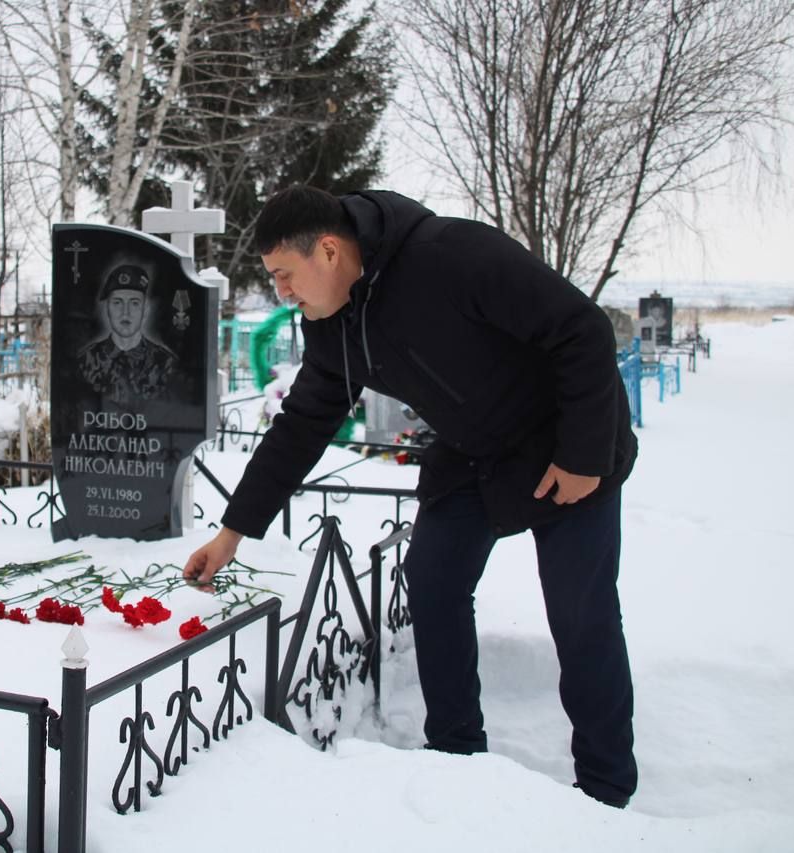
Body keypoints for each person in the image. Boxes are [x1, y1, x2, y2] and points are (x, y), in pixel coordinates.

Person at [182, 185, 638, 808]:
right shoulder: (332, 325)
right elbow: (301, 427)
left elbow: (582, 331)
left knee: (580, 613)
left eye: (285, 275)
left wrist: (583, 457)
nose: (282, 292)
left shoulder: (453, 254)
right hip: (473, 454)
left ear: (330, 250)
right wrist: (232, 532)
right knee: (432, 580)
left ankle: (606, 788)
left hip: (565, 443)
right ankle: (455, 752)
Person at [78, 263, 176, 403]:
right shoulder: (85, 361)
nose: (126, 312)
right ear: (107, 309)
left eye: (134, 303)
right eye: (117, 303)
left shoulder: (165, 364)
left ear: (145, 309)